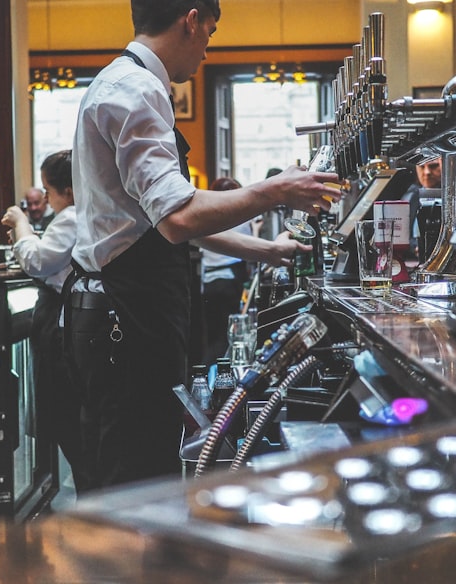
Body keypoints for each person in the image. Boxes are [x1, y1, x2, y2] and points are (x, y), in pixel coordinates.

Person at [67, 0, 342, 491]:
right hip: (124, 318)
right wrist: (276, 190)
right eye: (210, 34)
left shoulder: (126, 82)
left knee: (137, 463)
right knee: (135, 476)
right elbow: (177, 218)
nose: (206, 52)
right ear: (191, 20)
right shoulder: (135, 88)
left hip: (123, 309)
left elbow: (162, 215)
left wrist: (265, 250)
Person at [1, 150, 89, 492]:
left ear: (67, 191)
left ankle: (86, 500)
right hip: (74, 319)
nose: (48, 200)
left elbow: (38, 261)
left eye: (48, 191)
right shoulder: (90, 214)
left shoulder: (71, 217)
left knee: (65, 416)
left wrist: (22, 226)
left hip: (61, 323)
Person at [200, 176, 254, 364]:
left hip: (209, 282)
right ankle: (223, 377)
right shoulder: (238, 216)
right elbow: (248, 251)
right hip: (230, 280)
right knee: (228, 335)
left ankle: (210, 376)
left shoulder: (204, 217)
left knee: (213, 336)